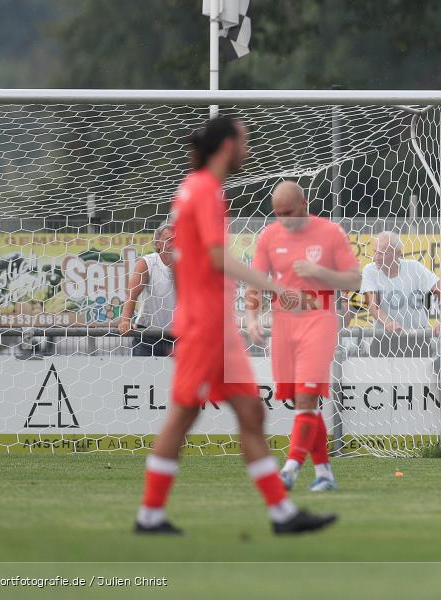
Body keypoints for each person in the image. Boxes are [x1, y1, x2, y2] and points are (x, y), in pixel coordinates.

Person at [134, 116, 336, 536]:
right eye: (245, 142)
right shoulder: (205, 190)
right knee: (183, 416)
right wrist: (275, 287)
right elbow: (215, 257)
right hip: (204, 328)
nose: (249, 149)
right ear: (227, 146)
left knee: (251, 411)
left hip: (217, 328)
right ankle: (150, 515)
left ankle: (282, 514)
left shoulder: (197, 188)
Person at [246, 181, 361, 493]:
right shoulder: (269, 236)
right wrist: (252, 318)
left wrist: (319, 272)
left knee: (308, 398)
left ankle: (289, 470)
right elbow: (255, 281)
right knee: (302, 403)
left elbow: (355, 280)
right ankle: (324, 474)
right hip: (283, 324)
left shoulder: (330, 232)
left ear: (304, 203)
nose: (283, 219)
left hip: (319, 318)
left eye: (289, 212)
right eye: (278, 213)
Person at [361, 231, 439, 357]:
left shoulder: (414, 268)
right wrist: (388, 323)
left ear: (397, 254)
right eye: (375, 252)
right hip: (384, 338)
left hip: (416, 338)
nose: (376, 258)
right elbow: (373, 305)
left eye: (383, 253)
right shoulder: (370, 270)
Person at [118, 222, 176, 356]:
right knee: (143, 369)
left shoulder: (188, 264)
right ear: (157, 244)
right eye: (169, 240)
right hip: (147, 335)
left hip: (178, 336)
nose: (173, 244)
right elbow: (132, 294)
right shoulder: (147, 263)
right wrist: (125, 320)